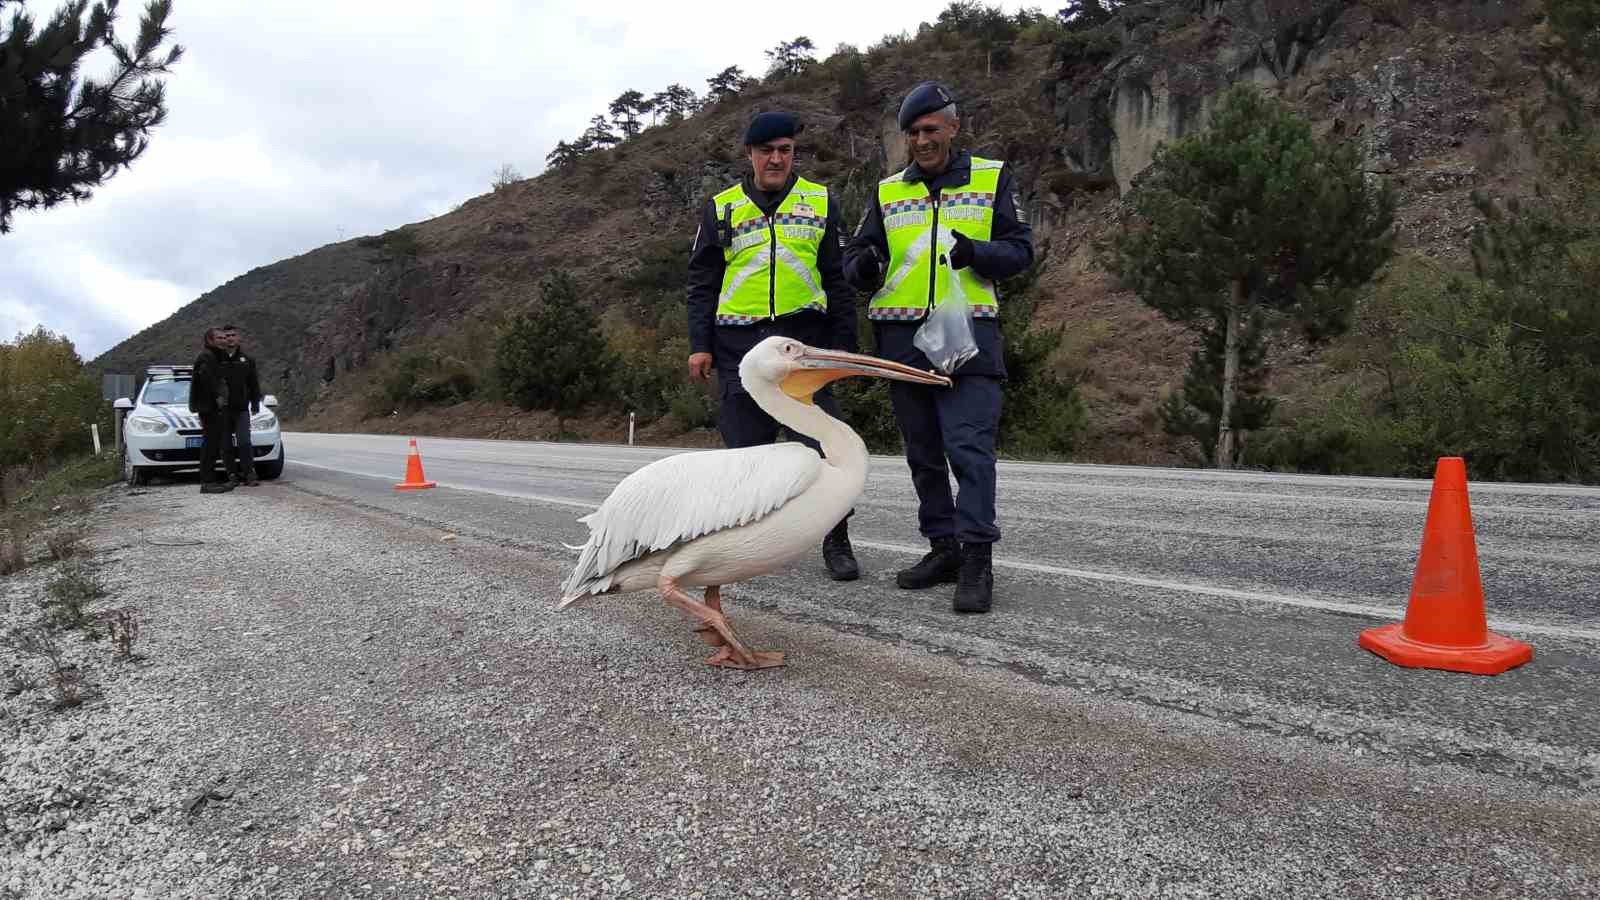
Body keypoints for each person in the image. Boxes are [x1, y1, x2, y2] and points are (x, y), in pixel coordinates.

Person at [842, 81, 1035, 614]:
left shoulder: (990, 177)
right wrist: (860, 266)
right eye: (913, 133)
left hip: (971, 335)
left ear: (953, 126)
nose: (922, 141)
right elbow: (858, 252)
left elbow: (1021, 252)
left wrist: (977, 252)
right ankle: (942, 549)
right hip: (902, 339)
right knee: (923, 454)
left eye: (930, 130)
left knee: (968, 450)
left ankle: (977, 561)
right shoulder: (887, 192)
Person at [686, 110, 862, 581]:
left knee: (825, 449)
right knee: (747, 456)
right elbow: (703, 281)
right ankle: (749, 545)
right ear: (751, 155)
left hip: (803, 346)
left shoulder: (820, 201)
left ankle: (836, 538)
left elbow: (836, 278)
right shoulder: (721, 207)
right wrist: (698, 345)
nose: (777, 159)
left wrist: (844, 346)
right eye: (767, 151)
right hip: (738, 346)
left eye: (784, 150)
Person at [188, 327, 234, 494]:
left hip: (213, 406)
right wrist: (218, 397)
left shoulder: (217, 356)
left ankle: (211, 480)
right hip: (210, 407)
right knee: (210, 444)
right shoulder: (207, 356)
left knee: (214, 444)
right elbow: (208, 380)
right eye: (219, 338)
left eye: (224, 337)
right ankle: (207, 482)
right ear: (210, 340)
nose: (223, 340)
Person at [218, 324, 264, 486]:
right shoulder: (216, 359)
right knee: (225, 444)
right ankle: (231, 475)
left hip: (241, 408)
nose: (230, 338)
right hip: (221, 410)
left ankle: (249, 474)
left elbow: (253, 383)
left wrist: (255, 403)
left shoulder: (247, 360)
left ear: (239, 338)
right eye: (227, 335)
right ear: (222, 339)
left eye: (233, 335)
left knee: (244, 441)